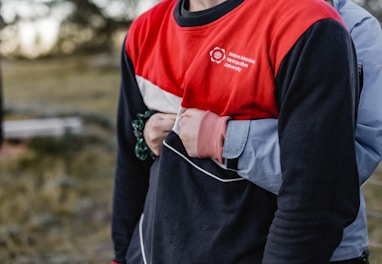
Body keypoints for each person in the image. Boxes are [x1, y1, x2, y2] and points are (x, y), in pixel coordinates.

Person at [111, 0, 360, 263]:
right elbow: (130, 161)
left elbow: (316, 197)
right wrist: (121, 257)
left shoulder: (305, 24)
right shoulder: (144, 32)